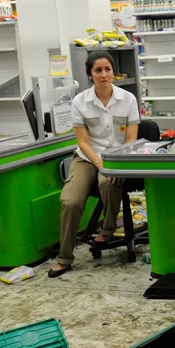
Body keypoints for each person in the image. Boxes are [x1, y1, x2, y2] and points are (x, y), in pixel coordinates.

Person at [49, 50, 139, 278]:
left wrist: (114, 166)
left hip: (118, 156)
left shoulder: (128, 100)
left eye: (107, 69)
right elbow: (83, 142)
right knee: (70, 202)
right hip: (87, 157)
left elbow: (130, 141)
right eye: (98, 70)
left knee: (109, 183)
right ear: (90, 75)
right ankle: (65, 257)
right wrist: (100, 164)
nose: (104, 74)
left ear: (113, 72)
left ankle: (108, 230)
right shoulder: (80, 102)